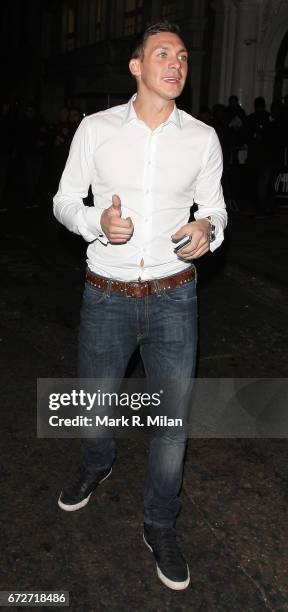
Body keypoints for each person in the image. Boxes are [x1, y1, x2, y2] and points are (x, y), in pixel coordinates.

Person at [53, 21, 227, 591]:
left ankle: (160, 522)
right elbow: (62, 201)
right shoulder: (95, 130)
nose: (176, 64)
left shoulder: (202, 138)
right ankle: (97, 463)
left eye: (181, 55)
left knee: (171, 425)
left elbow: (217, 210)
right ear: (137, 66)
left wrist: (208, 228)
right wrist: (95, 223)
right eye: (162, 54)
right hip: (107, 293)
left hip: (176, 297)